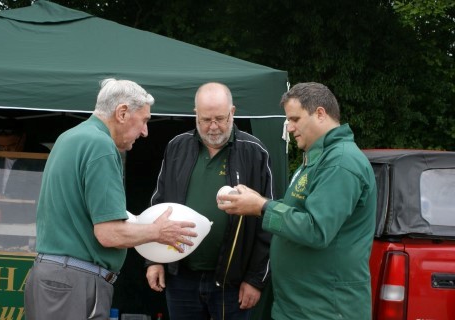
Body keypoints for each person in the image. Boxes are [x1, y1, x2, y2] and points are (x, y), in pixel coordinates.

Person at [23, 78, 198, 320]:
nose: (146, 132)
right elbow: (109, 234)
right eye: (145, 120)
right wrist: (158, 232)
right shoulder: (101, 146)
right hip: (75, 283)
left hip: (54, 279)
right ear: (123, 112)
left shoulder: (70, 137)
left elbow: (79, 213)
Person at [217, 82, 377, 319]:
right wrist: (257, 201)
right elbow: (297, 211)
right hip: (300, 305)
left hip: (326, 309)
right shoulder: (318, 158)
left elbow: (316, 229)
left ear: (320, 113)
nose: (290, 127)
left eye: (295, 119)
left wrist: (261, 206)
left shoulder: (340, 163)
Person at [146, 82, 274, 320]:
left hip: (232, 282)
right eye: (206, 119)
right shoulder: (177, 147)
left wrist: (255, 280)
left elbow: (267, 222)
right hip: (181, 276)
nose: (213, 126)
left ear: (232, 112)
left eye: (220, 118)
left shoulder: (254, 151)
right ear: (195, 114)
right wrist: (154, 259)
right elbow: (158, 205)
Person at [0, 120, 49, 226]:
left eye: (11, 145)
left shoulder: (39, 156)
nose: (6, 150)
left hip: (25, 223)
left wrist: (9, 198)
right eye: (1, 146)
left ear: (22, 138)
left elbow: (42, 192)